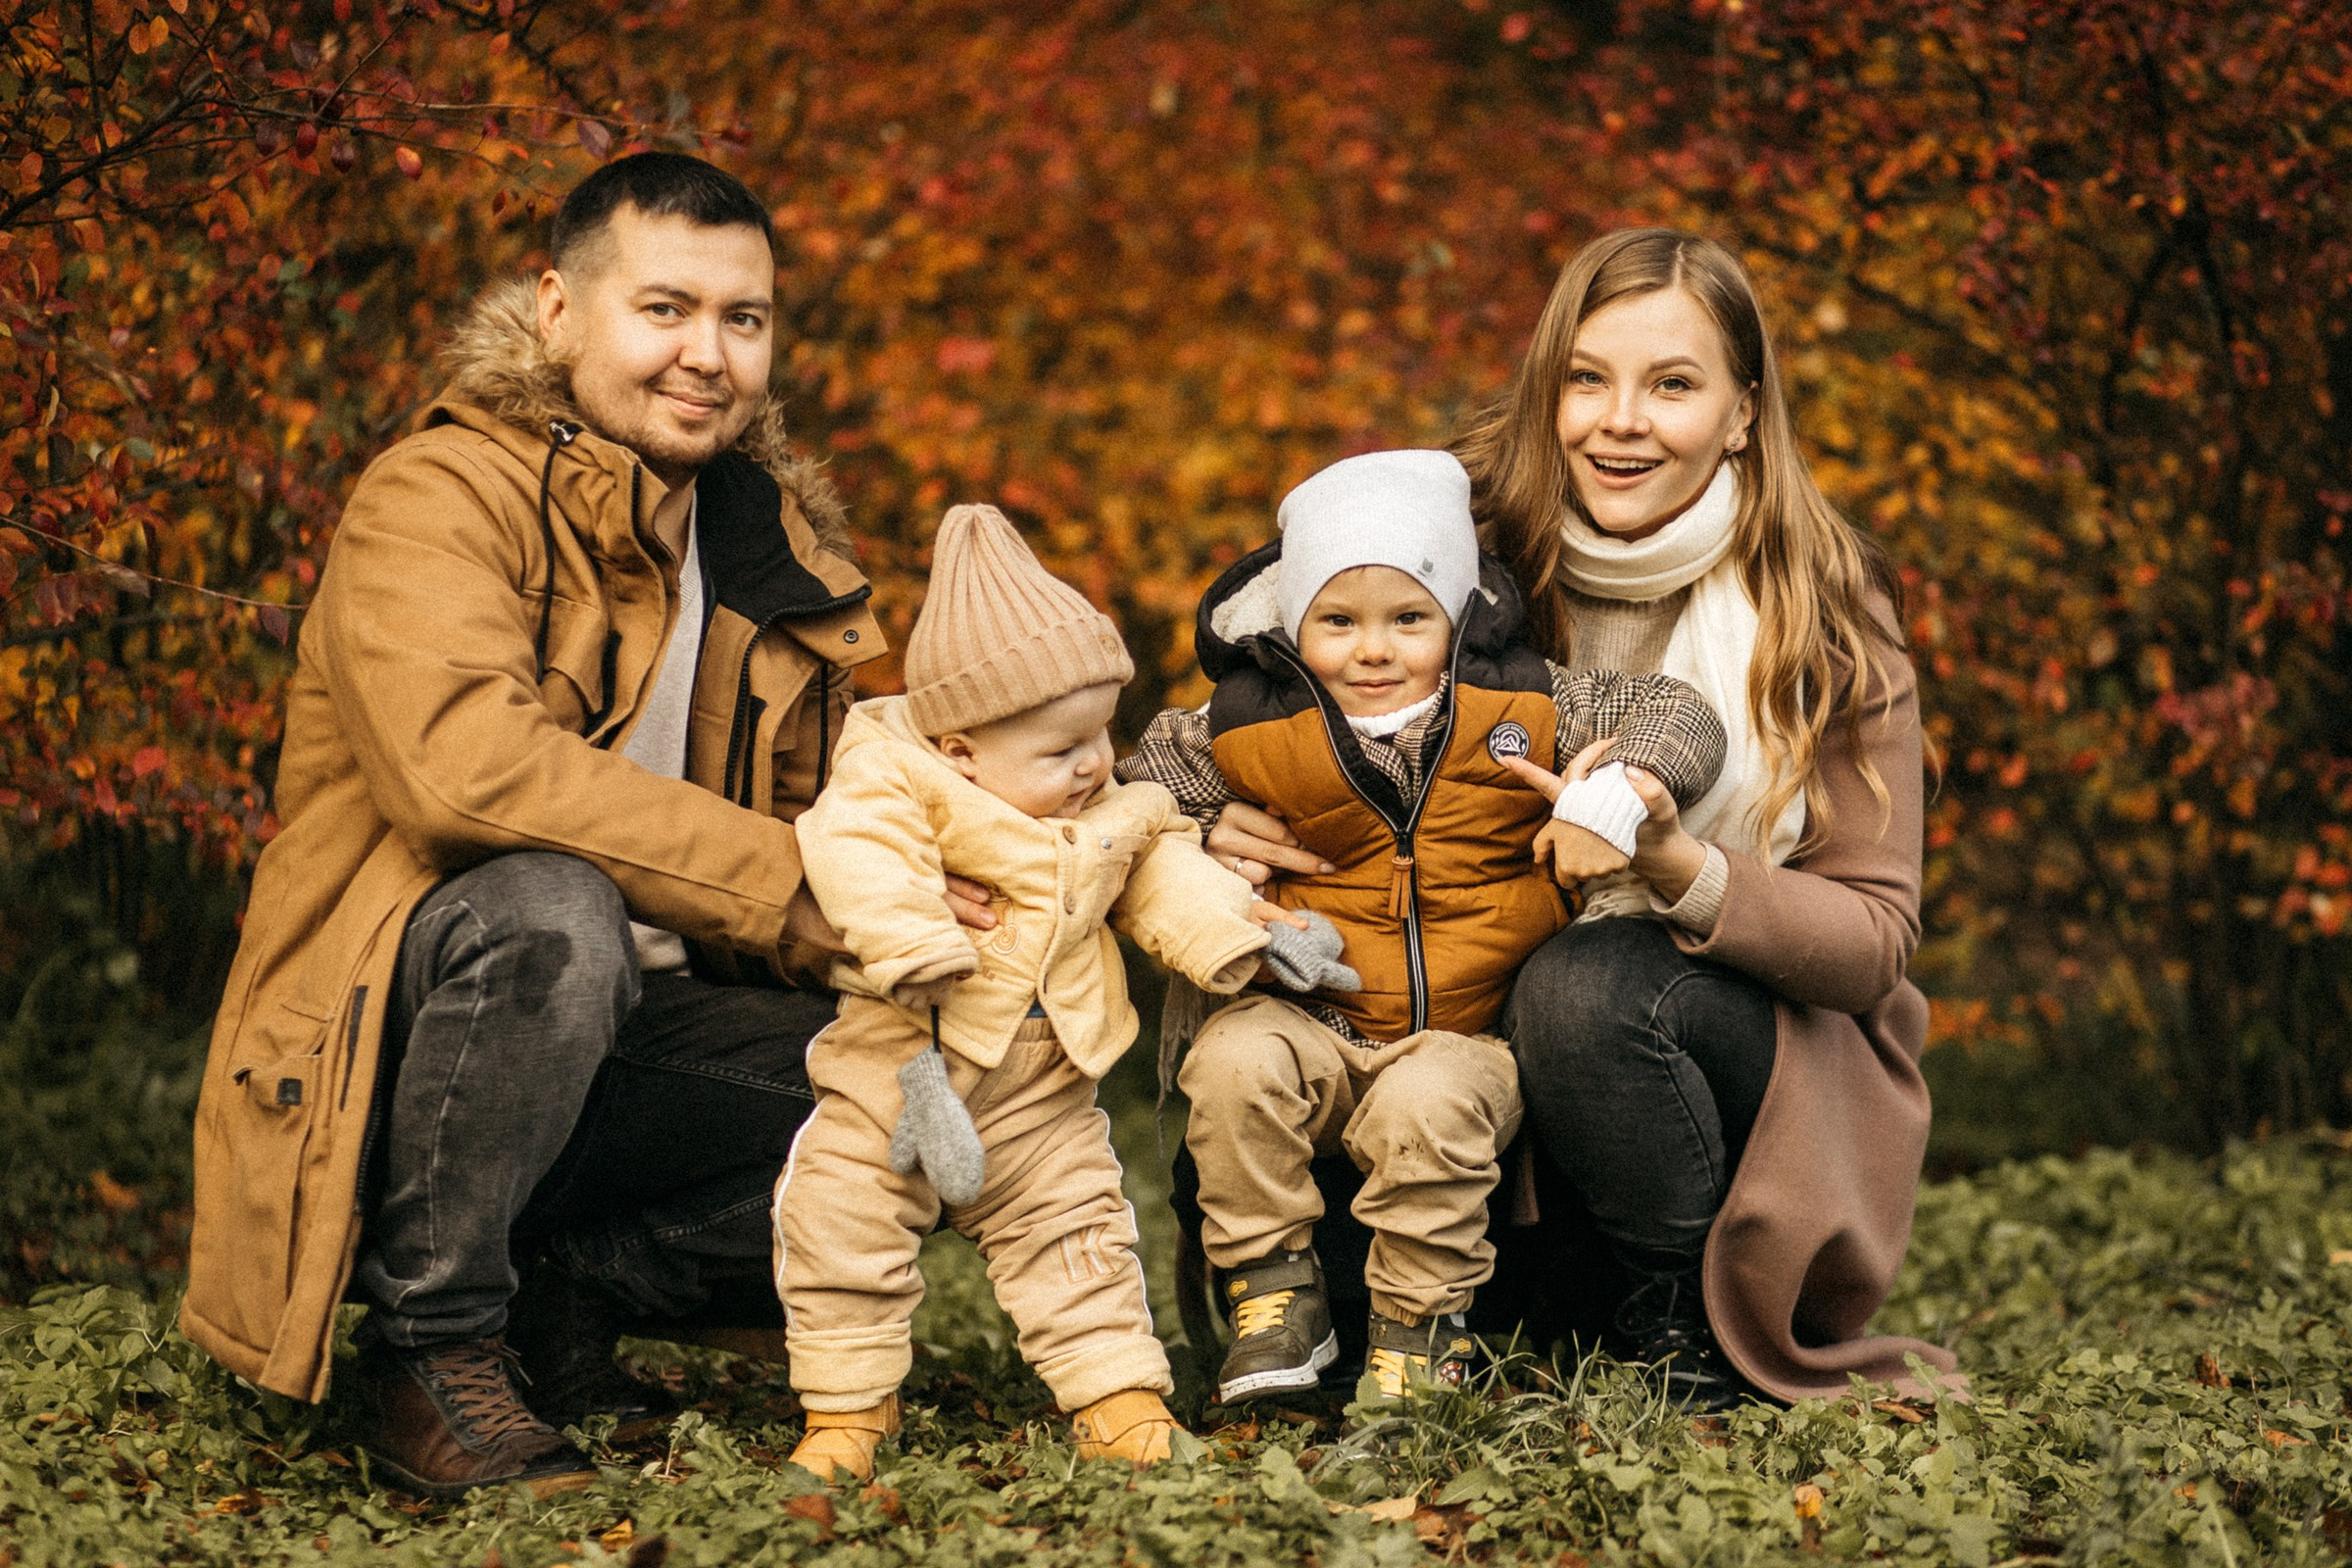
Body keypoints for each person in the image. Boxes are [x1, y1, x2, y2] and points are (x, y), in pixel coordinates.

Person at [181, 153, 994, 1498]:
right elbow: (464, 773)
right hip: (401, 1040)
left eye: (744, 318)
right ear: (558, 311)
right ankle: (428, 1348)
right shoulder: (438, 498)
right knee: (551, 911)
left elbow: (845, 813)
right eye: (664, 309)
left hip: (636, 1044)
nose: (709, 355)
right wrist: (791, 884)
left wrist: (1090, 842)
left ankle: (564, 1294)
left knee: (976, 1068)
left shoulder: (766, 547)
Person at [1206, 230, 1959, 1409]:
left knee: (1587, 976)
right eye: (1587, 378)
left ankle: (1682, 1331)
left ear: (1744, 412)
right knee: (1276, 989)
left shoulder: (1821, 593)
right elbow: (1249, 706)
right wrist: (1220, 828)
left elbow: (1873, 942)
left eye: (1672, 383)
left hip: (1699, 1052)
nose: (1621, 420)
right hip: (1453, 1039)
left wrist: (1674, 861)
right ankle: (1319, 1292)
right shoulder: (1447, 553)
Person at [1120, 449, 1726, 1405]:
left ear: (1455, 617)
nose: (1373, 649)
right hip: (1310, 1017)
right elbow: (1138, 784)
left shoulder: (1523, 705)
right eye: (1338, 621)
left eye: (1408, 619)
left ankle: (1420, 1329)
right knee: (1232, 1062)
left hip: (1464, 1032)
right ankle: (1273, 1294)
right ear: (1293, 624)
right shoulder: (1245, 722)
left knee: (1428, 1114)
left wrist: (1618, 791)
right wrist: (1195, 828)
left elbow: (1676, 712)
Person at [775, 504, 1274, 1480]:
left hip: (1042, 1084)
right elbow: (858, 850)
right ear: (960, 748)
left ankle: (1119, 1398)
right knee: (839, 1222)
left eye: (1101, 732)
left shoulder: (1110, 809)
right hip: (898, 1070)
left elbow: (1163, 869)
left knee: (1077, 1229)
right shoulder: (894, 780)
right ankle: (844, 1409)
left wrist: (1229, 936)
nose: (1095, 762)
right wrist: (914, 938)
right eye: (1061, 749)